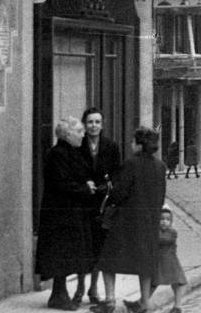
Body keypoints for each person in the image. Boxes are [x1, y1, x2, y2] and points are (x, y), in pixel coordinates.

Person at [96, 126, 167, 313]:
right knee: (145, 263)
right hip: (150, 221)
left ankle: (110, 300)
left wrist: (109, 201)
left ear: (139, 144)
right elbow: (161, 196)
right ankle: (145, 301)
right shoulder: (160, 167)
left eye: (133, 141)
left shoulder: (130, 164)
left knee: (108, 259)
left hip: (127, 221)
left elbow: (119, 192)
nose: (130, 144)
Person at [36, 117, 97, 311]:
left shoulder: (73, 153)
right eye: (79, 131)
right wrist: (85, 188)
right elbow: (62, 183)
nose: (83, 134)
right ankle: (59, 295)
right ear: (67, 134)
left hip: (71, 213)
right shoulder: (57, 154)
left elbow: (78, 177)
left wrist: (87, 183)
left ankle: (60, 294)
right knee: (61, 254)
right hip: (60, 214)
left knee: (68, 254)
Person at [75, 106, 121, 307]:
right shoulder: (78, 145)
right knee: (82, 248)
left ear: (102, 125)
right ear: (84, 125)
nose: (93, 126)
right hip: (82, 202)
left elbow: (117, 174)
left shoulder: (111, 146)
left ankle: (93, 288)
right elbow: (73, 171)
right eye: (90, 122)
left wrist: (108, 188)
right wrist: (84, 184)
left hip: (102, 205)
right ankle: (79, 287)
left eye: (97, 122)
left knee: (98, 249)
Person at [154, 207, 187, 313]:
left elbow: (164, 239)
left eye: (168, 220)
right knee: (153, 283)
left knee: (177, 282)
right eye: (162, 219)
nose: (164, 222)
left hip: (171, 261)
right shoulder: (157, 232)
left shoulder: (172, 233)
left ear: (171, 222)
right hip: (160, 261)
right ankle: (142, 303)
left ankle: (177, 306)